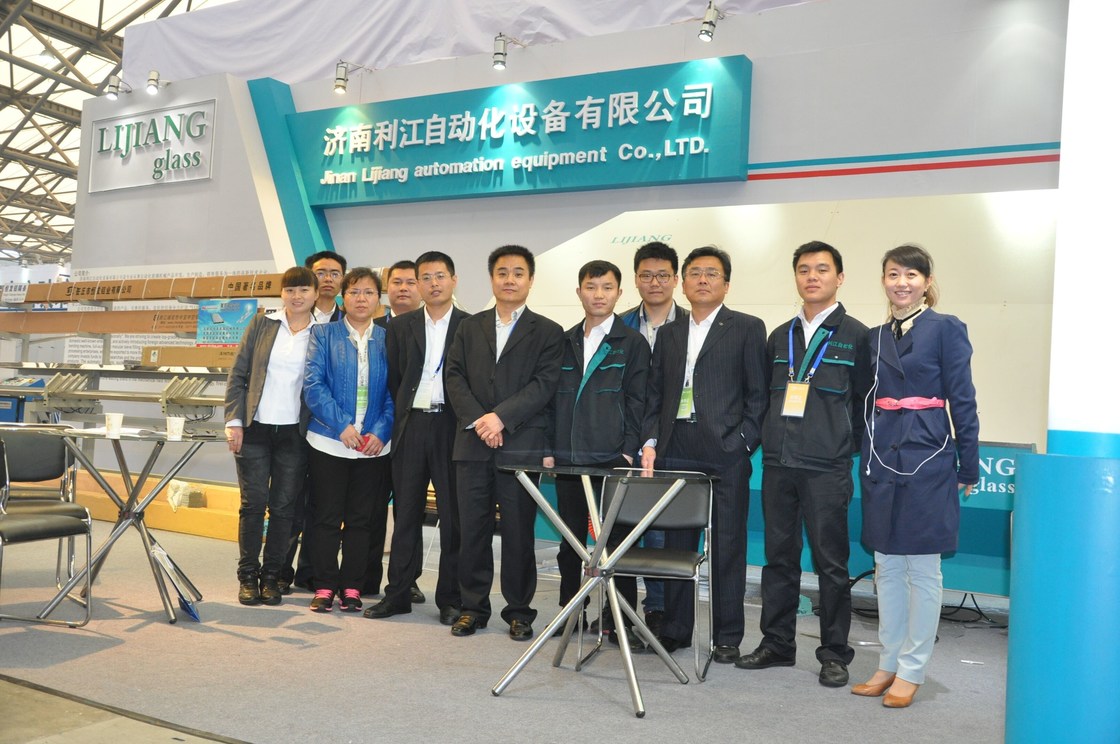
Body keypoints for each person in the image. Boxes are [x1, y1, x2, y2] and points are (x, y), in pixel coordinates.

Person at [736, 241, 871, 687]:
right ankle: (777, 644)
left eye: (822, 269)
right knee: (778, 558)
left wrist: (841, 446)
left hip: (827, 468)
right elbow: (763, 397)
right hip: (778, 464)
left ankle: (834, 654)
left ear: (839, 278)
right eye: (804, 269)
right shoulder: (780, 336)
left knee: (831, 564)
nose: (812, 277)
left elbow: (866, 406)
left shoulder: (858, 336)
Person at [852, 244, 979, 708]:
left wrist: (969, 462)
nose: (901, 282)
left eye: (910, 274)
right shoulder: (874, 337)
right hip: (881, 457)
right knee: (886, 566)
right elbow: (864, 401)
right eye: (893, 274)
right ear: (883, 281)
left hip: (929, 455)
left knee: (923, 569)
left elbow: (962, 399)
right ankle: (888, 662)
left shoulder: (946, 328)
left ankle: (913, 668)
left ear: (926, 282)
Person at [640, 246, 768, 664]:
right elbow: (655, 394)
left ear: (726, 284)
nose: (702, 280)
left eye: (712, 274)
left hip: (726, 450)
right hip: (676, 448)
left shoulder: (747, 327)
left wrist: (743, 442)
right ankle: (676, 629)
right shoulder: (670, 333)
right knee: (677, 545)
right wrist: (651, 442)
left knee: (728, 545)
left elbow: (758, 395)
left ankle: (726, 636)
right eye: (695, 273)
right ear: (684, 282)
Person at [444, 244, 563, 641]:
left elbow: (544, 384)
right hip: (473, 444)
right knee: (471, 531)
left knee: (518, 533)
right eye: (502, 273)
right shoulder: (468, 327)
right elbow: (454, 377)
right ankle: (472, 608)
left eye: (518, 273)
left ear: (530, 280)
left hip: (520, 445)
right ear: (491, 278)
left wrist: (501, 418)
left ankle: (519, 612)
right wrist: (481, 420)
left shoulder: (548, 331)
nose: (509, 280)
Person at [545, 260, 649, 648]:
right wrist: (550, 450)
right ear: (579, 292)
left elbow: (638, 401)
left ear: (619, 293)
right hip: (569, 459)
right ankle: (570, 611)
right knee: (570, 542)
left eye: (607, 287)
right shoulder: (564, 341)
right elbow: (550, 401)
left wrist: (628, 452)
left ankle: (620, 618)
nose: (599, 295)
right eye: (591, 287)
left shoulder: (632, 342)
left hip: (612, 460)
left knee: (617, 543)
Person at [365, 252, 467, 625]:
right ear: (419, 284)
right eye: (426, 277)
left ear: (454, 280)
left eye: (440, 276)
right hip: (411, 427)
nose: (433, 283)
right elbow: (393, 379)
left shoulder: (471, 326)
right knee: (405, 513)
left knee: (453, 517)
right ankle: (399, 593)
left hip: (452, 428)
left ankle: (451, 599)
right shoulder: (401, 327)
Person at [303, 267, 394, 613]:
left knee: (361, 520)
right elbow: (313, 385)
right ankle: (325, 585)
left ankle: (353, 587)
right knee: (325, 517)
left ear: (378, 300)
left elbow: (396, 392)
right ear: (343, 298)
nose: (361, 299)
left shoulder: (388, 339)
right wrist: (342, 425)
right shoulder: (323, 334)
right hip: (329, 441)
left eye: (369, 293)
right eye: (354, 292)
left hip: (372, 447)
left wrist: (381, 431)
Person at [224, 266, 317, 606]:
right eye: (290, 290)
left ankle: (271, 577)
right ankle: (248, 575)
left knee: (283, 508)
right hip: (255, 429)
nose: (297, 296)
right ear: (282, 294)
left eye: (303, 290)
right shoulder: (262, 324)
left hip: (296, 433)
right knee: (253, 504)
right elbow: (238, 374)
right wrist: (234, 421)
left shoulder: (323, 332)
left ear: (315, 294)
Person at [619, 240, 689, 635]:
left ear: (676, 279)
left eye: (663, 275)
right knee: (620, 527)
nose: (655, 282)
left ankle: (658, 608)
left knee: (662, 530)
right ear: (636, 280)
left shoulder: (691, 324)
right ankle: (618, 609)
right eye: (646, 275)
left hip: (671, 440)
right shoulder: (620, 324)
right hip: (624, 440)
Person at [283, 250, 348, 594]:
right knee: (290, 501)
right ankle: (280, 570)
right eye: (321, 272)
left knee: (323, 505)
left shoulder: (349, 322)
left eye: (335, 273)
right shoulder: (291, 319)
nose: (328, 279)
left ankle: (310, 572)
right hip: (292, 425)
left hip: (330, 429)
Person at [366, 259, 425, 603]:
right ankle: (367, 575)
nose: (403, 288)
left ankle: (408, 579)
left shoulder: (432, 329)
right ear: (386, 289)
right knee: (371, 508)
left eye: (410, 282)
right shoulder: (370, 328)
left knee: (408, 511)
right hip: (372, 435)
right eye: (396, 282)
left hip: (412, 434)